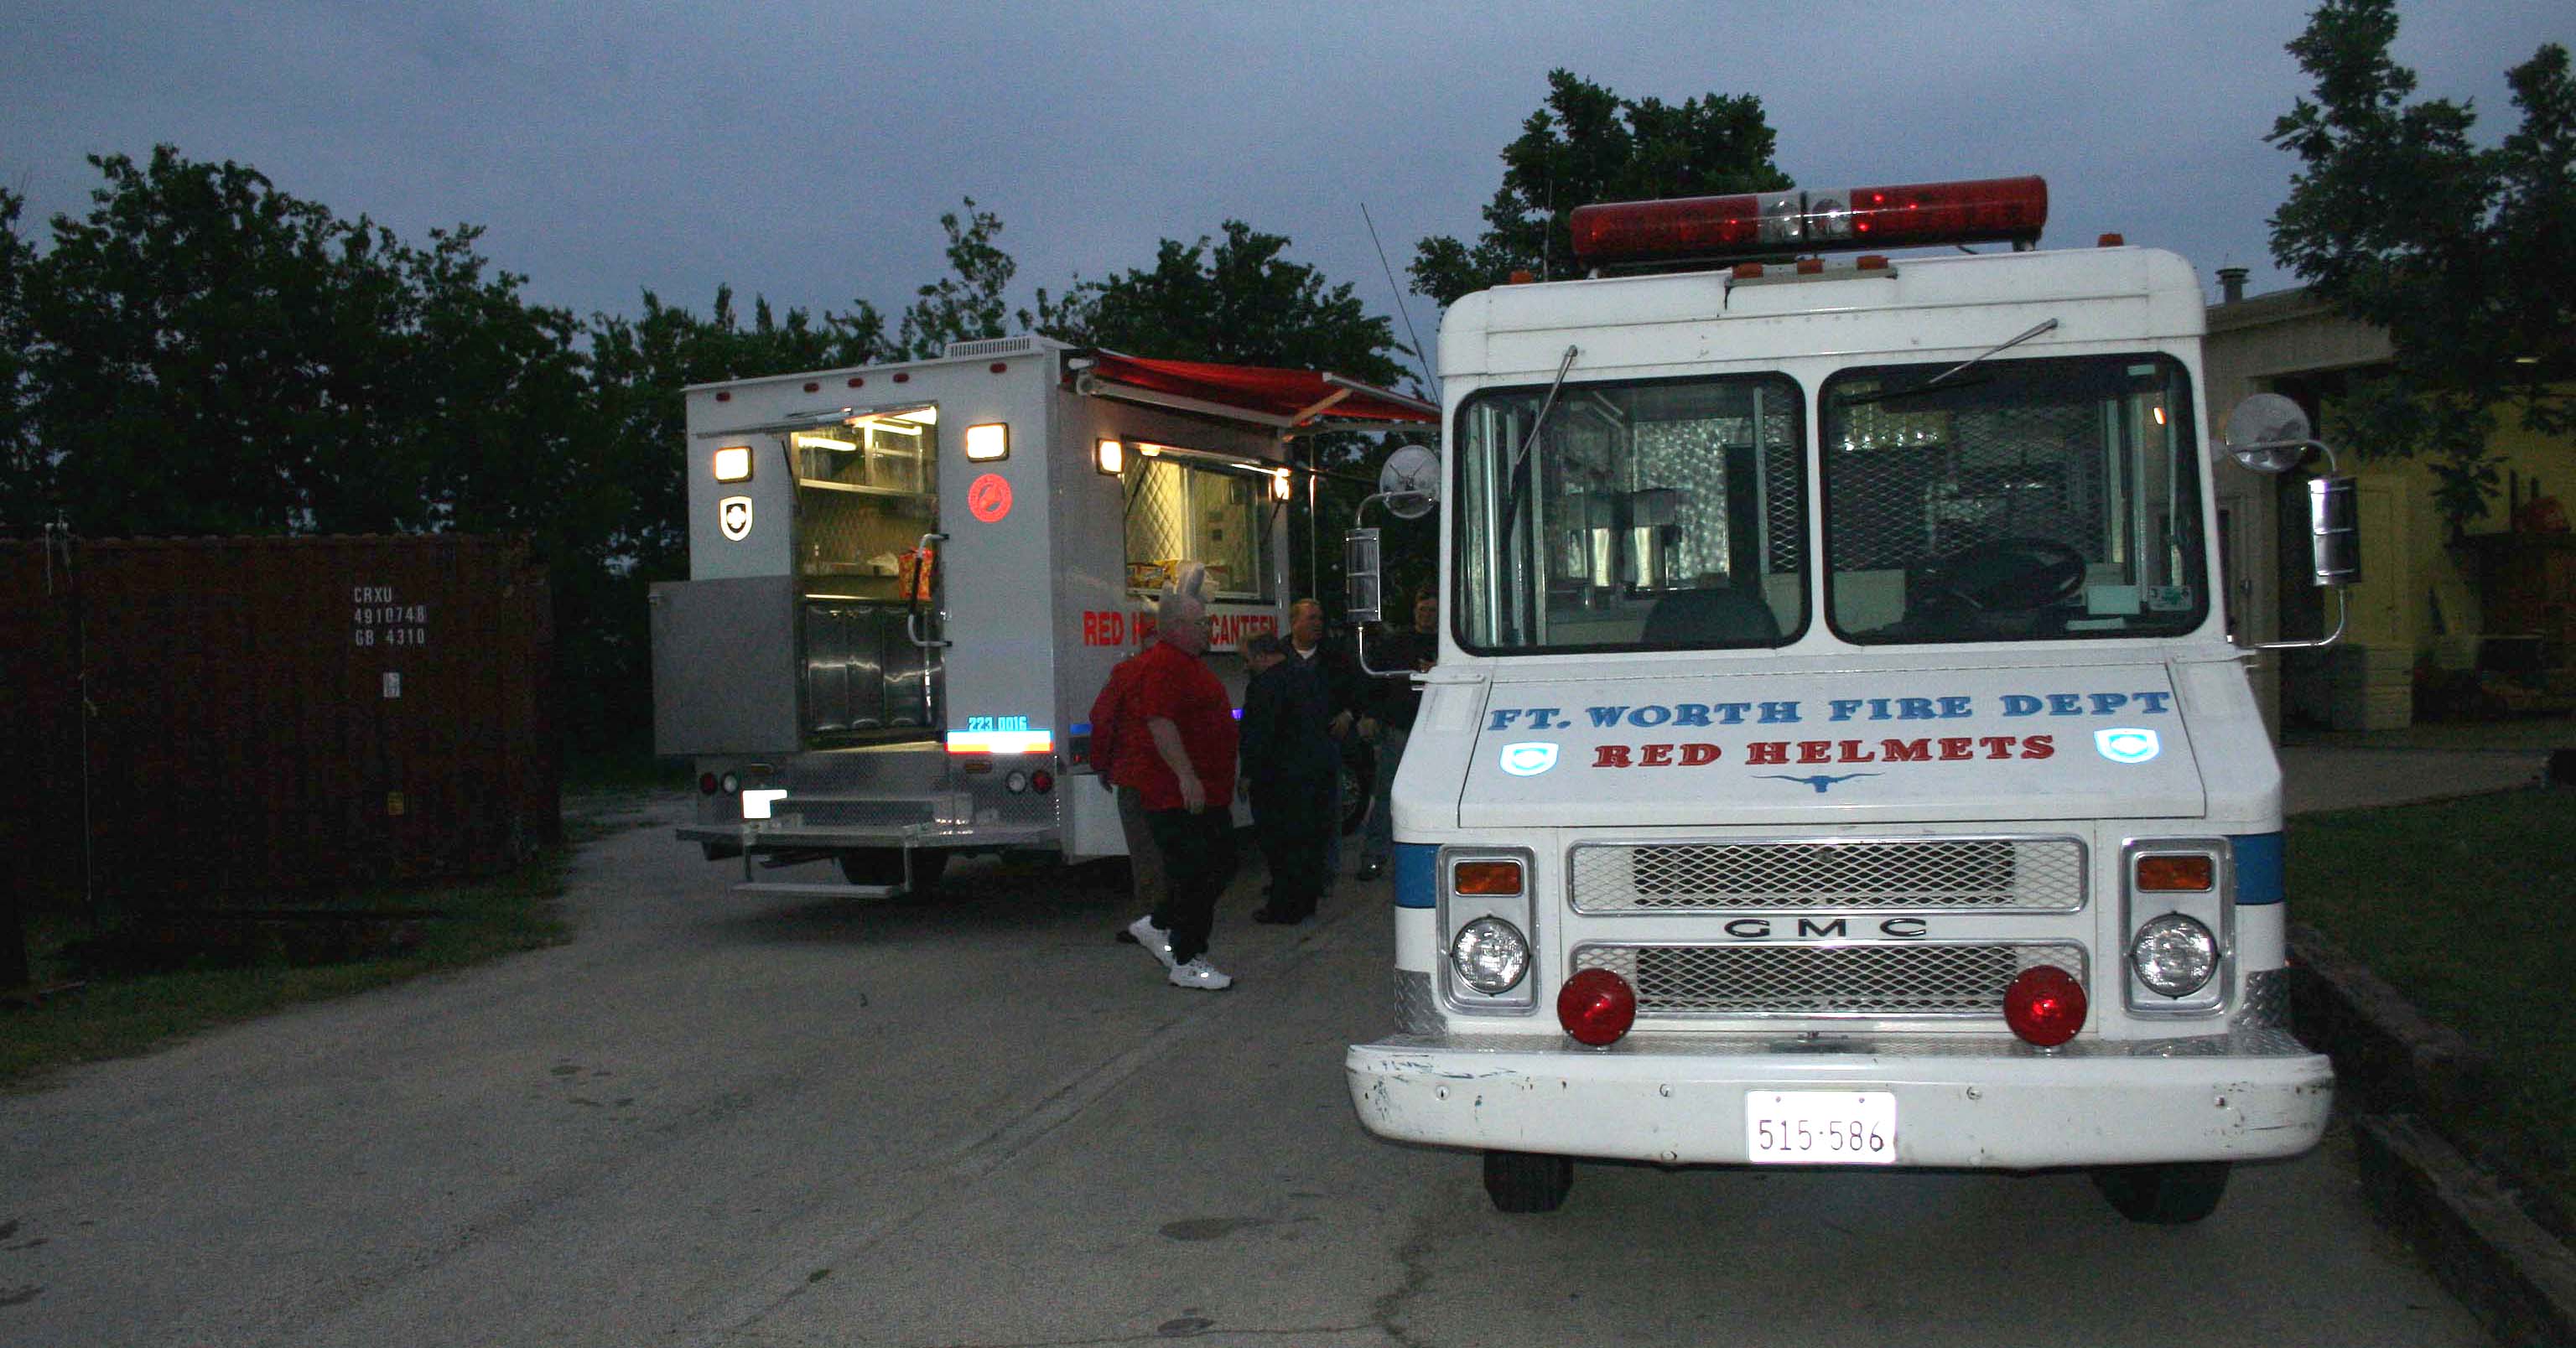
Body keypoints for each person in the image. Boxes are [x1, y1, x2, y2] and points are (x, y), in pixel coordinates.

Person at [1113, 587, 1241, 990]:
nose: (1209, 629)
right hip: (1177, 795)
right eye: (1201, 623)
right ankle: (1187, 959)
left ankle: (1157, 924)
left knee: (1217, 866)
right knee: (1196, 874)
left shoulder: (1187, 664)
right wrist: (1185, 774)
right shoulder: (1163, 666)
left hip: (1205, 792)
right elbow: (1159, 721)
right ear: (1177, 627)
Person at [1239, 631, 1336, 924]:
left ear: (1261, 656)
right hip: (1313, 775)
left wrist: (1248, 774)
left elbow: (1259, 735)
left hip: (1278, 780)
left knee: (1281, 847)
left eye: (1247, 659)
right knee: (1307, 843)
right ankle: (1305, 902)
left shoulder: (1264, 686)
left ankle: (1284, 907)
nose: (1245, 667)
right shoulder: (1308, 677)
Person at [1357, 586, 1438, 881]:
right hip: (1401, 728)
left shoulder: (1450, 644)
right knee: (1387, 795)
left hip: (1439, 733)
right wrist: (1370, 715)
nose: (1427, 616)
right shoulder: (1397, 642)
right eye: (1422, 611)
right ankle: (1374, 857)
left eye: (1431, 611)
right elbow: (1373, 680)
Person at [1088, 651, 1166, 931]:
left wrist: (1101, 763)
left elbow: (1103, 717)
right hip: (1174, 773)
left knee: (1145, 850)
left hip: (1137, 773)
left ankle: (1152, 920)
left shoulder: (1128, 672)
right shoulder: (1187, 670)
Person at [1285, 598, 1362, 878]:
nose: (1317, 624)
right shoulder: (1280, 654)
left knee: (1328, 811)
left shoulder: (1335, 656)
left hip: (1326, 745)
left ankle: (1326, 873)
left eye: (1320, 618)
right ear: (1294, 622)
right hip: (1290, 748)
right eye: (1311, 619)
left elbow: (1357, 689)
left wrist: (1348, 715)